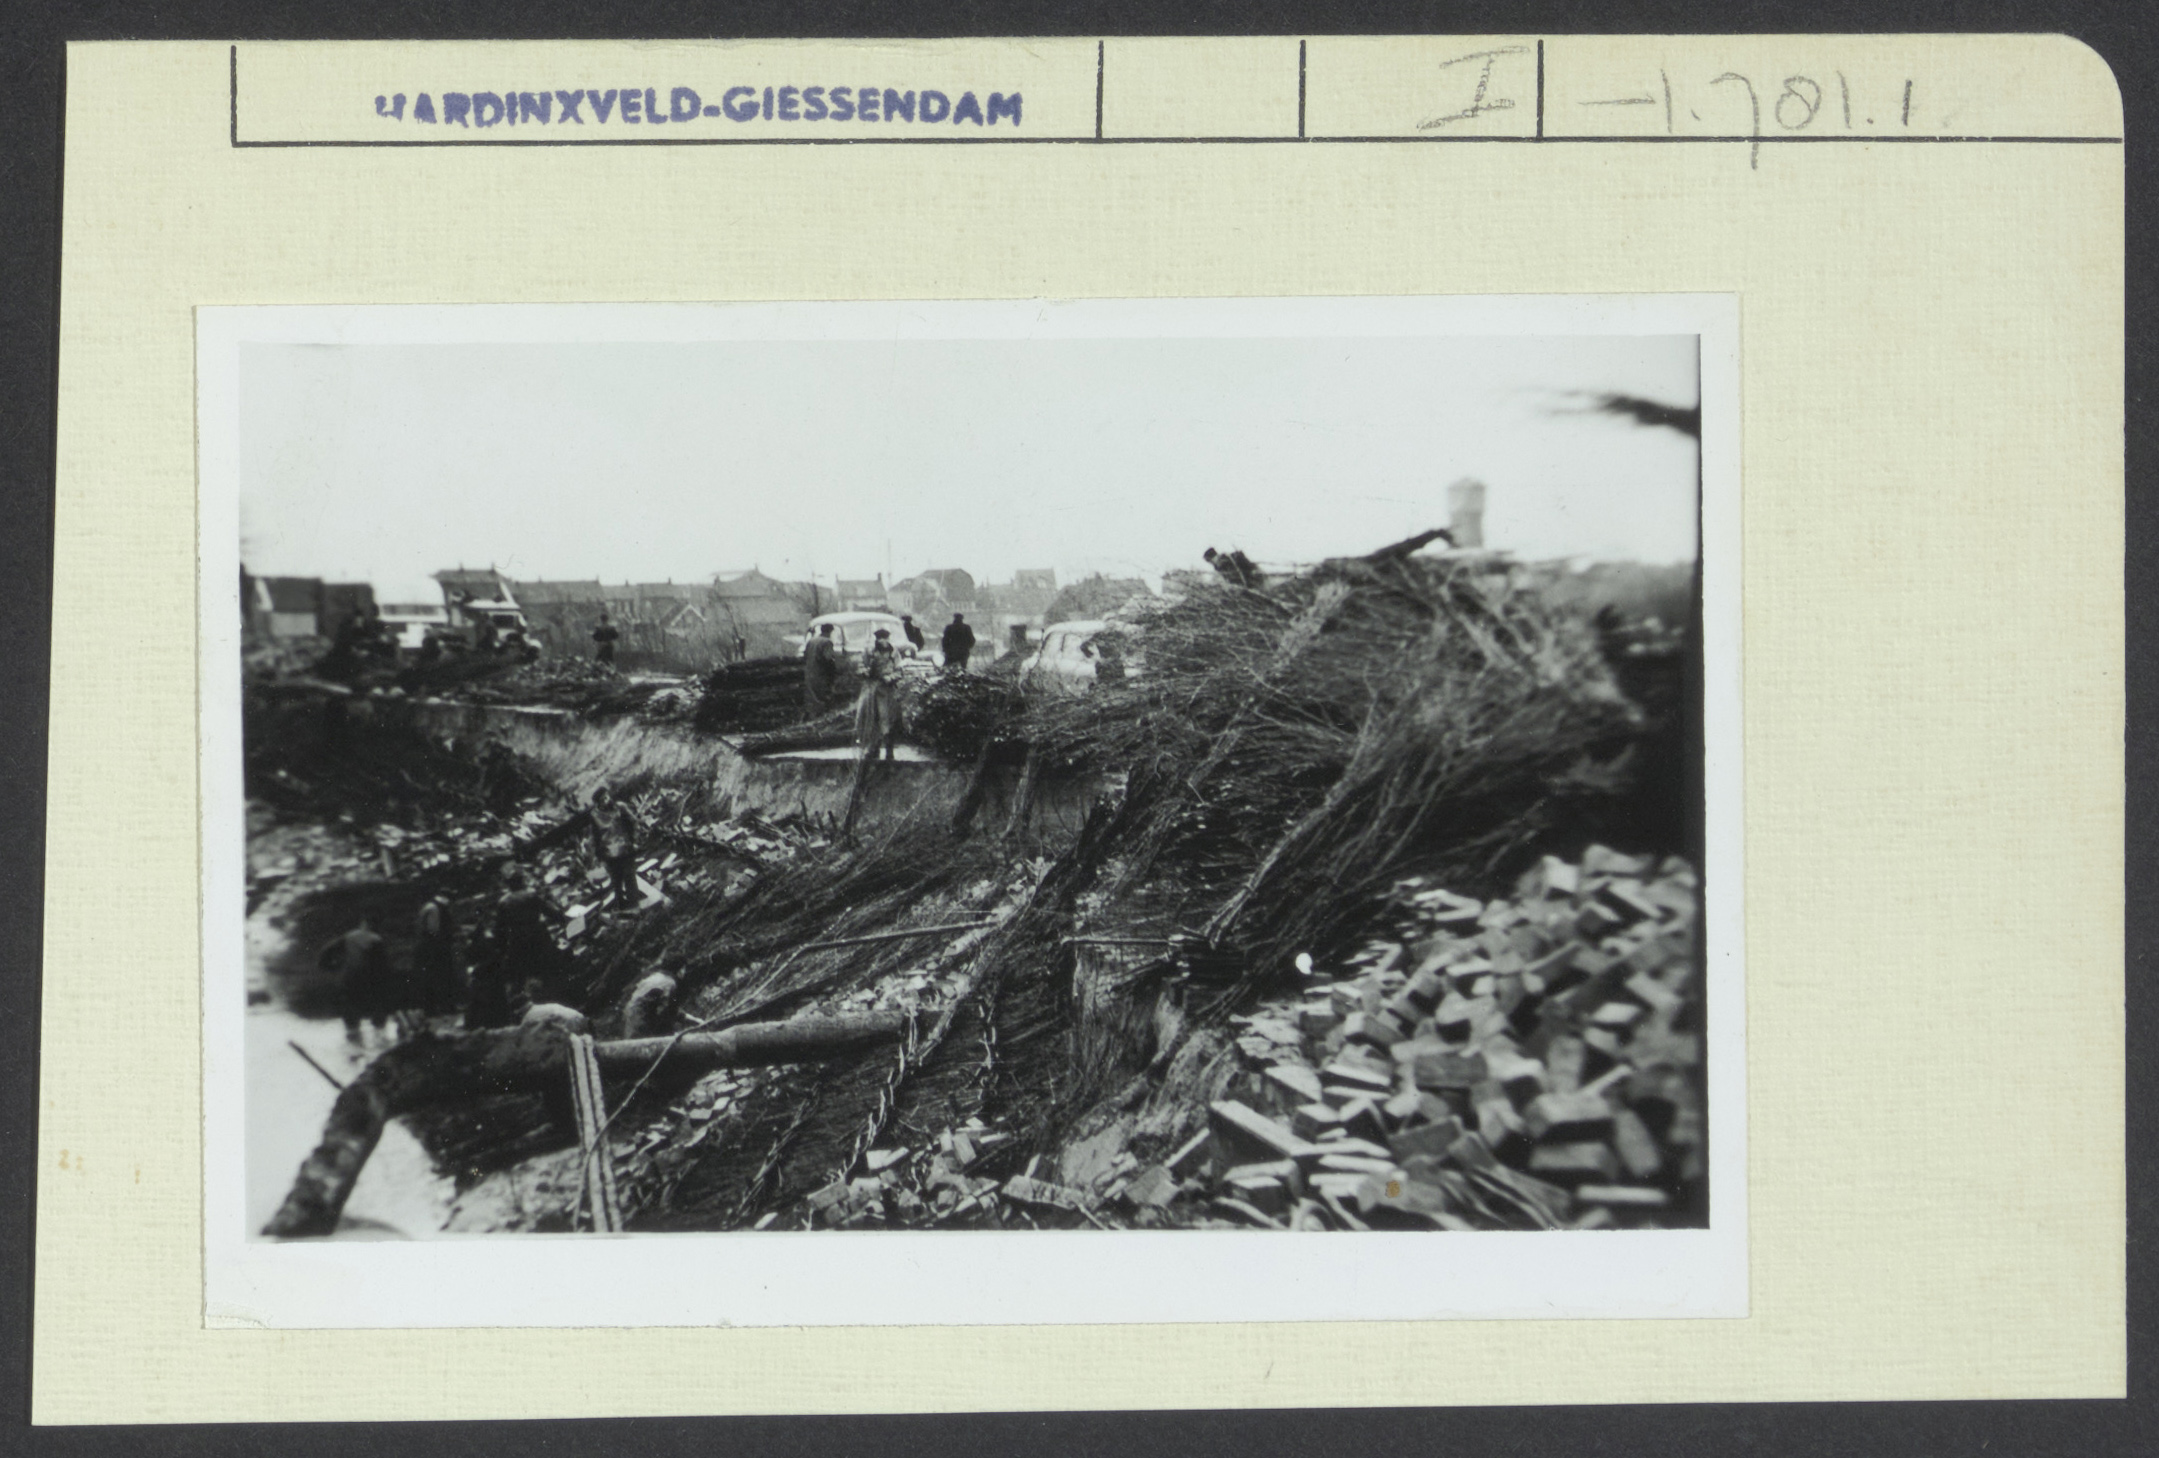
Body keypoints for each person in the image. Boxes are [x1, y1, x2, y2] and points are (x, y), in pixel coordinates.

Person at [319, 916, 398, 1048]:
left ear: (362, 924)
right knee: (378, 1016)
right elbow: (384, 968)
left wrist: (334, 968)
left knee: (351, 1020)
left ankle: (354, 1047)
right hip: (369, 984)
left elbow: (325, 954)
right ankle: (380, 1044)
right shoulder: (377, 940)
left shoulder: (348, 937)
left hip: (348, 982)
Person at [588, 785, 640, 909]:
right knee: (616, 882)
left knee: (630, 877)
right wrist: (598, 856)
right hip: (609, 853)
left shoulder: (620, 807)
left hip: (625, 848)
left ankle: (635, 906)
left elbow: (633, 822)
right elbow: (594, 837)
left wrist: (634, 840)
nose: (607, 801)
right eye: (603, 800)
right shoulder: (595, 815)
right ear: (598, 803)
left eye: (607, 797)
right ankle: (622, 907)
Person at [855, 627, 902, 761]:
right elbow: (860, 666)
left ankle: (889, 750)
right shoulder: (869, 652)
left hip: (887, 691)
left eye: (885, 638)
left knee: (887, 720)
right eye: (880, 638)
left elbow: (899, 671)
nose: (883, 641)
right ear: (876, 639)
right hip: (871, 690)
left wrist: (890, 677)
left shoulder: (894, 653)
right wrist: (865, 671)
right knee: (871, 719)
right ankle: (873, 749)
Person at [412, 893, 460, 1017]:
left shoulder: (428, 906)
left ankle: (432, 1008)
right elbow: (433, 930)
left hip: (425, 946)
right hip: (433, 947)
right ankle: (442, 1007)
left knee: (431, 978)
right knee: (441, 977)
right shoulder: (434, 909)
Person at [803, 622, 841, 714]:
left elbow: (805, 656)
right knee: (824, 698)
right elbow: (828, 659)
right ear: (830, 632)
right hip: (821, 675)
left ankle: (813, 716)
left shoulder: (811, 641)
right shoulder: (827, 642)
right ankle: (824, 717)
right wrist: (833, 673)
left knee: (813, 700)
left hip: (809, 674)